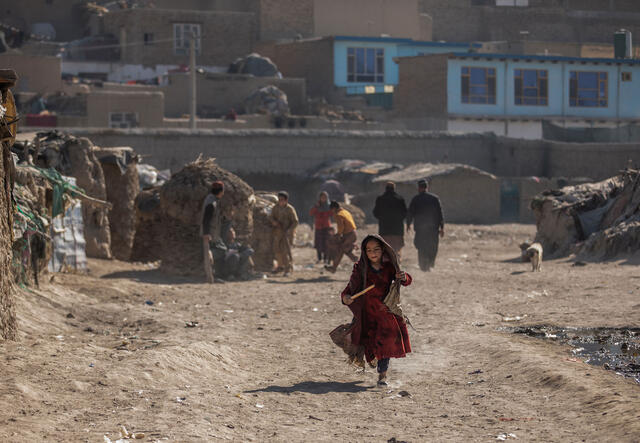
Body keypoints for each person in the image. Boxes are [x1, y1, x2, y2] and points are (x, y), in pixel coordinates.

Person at [339, 235, 412, 386]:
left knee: (385, 343)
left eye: (377, 250)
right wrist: (345, 297)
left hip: (385, 311)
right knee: (371, 344)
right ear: (365, 252)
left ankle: (382, 376)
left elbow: (405, 280)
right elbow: (350, 288)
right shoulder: (360, 268)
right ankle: (375, 359)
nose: (373, 253)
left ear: (383, 250)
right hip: (367, 313)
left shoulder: (389, 266)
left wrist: (404, 277)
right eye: (369, 250)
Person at [407, 179, 444, 271]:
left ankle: (423, 266)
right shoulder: (435, 198)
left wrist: (408, 224)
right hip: (433, 228)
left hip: (420, 228)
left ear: (419, 188)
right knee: (432, 246)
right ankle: (430, 263)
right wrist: (442, 227)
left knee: (421, 247)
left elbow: (410, 213)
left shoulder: (416, 199)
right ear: (427, 187)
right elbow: (440, 214)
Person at [373, 181, 408, 259]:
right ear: (394, 188)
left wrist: (382, 219)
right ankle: (397, 265)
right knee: (396, 249)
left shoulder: (380, 199)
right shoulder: (400, 199)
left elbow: (375, 213)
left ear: (386, 188)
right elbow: (405, 213)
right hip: (397, 229)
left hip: (384, 229)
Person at [201, 181, 227, 283]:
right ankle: (211, 254)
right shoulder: (212, 203)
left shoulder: (211, 199)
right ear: (220, 191)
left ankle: (214, 275)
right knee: (221, 249)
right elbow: (206, 219)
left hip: (212, 232)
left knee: (219, 251)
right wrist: (206, 233)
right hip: (211, 233)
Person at [269, 191, 298, 275]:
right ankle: (280, 266)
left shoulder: (290, 209)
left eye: (282, 200)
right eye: (279, 199)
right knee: (277, 250)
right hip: (278, 232)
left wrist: (289, 230)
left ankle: (288, 269)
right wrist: (274, 222)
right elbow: (271, 217)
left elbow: (295, 222)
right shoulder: (275, 208)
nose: (280, 201)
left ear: (286, 200)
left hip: (287, 233)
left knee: (285, 251)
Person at [325, 201, 358, 273]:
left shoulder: (338, 215)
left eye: (331, 210)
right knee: (345, 250)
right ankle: (334, 268)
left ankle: (361, 264)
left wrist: (338, 235)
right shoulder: (345, 212)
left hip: (349, 235)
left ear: (333, 208)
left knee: (342, 249)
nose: (332, 212)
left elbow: (341, 227)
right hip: (353, 234)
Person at [309, 191, 333, 263]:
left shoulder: (329, 206)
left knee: (327, 243)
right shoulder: (316, 206)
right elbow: (311, 213)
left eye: (325, 197)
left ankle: (326, 258)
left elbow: (332, 214)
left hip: (326, 226)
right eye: (322, 197)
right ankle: (319, 258)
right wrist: (316, 207)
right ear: (319, 198)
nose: (323, 199)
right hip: (318, 226)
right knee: (318, 243)